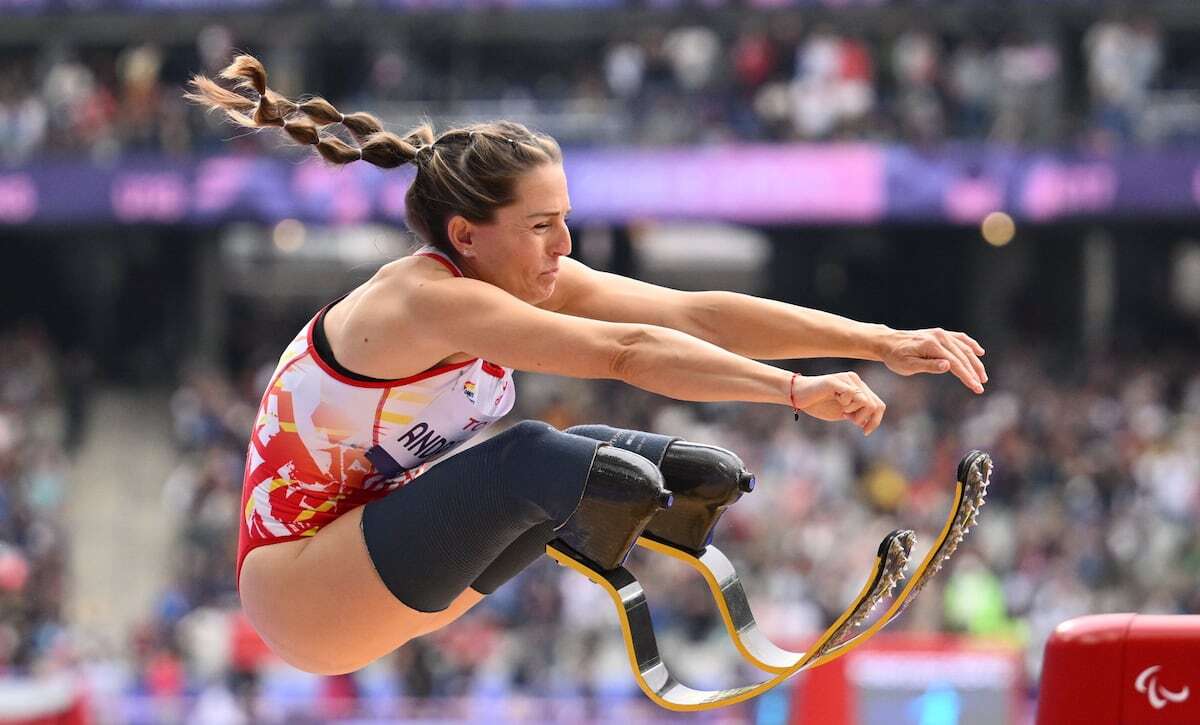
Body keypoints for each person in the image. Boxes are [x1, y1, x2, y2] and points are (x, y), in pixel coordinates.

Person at [185, 54, 988, 677]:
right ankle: (635, 537)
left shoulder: (509, 272)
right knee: (536, 455)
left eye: (564, 220)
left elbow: (688, 311)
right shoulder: (429, 301)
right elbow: (627, 351)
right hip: (305, 591)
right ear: (466, 235)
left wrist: (879, 339)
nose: (564, 247)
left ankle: (669, 532)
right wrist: (790, 388)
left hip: (380, 565)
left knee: (644, 459)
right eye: (542, 225)